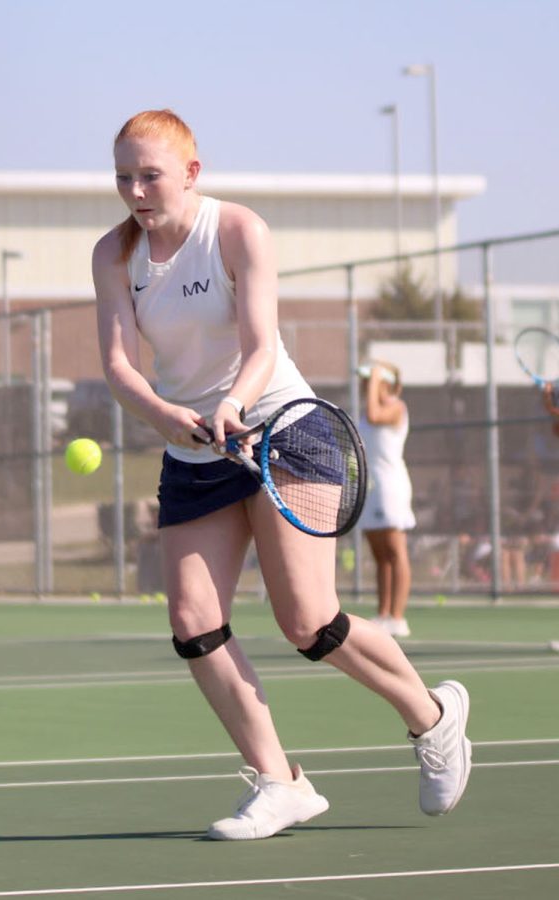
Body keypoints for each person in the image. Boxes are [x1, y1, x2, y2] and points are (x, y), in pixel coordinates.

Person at [93, 109, 472, 841]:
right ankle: (279, 782)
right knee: (193, 622)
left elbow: (263, 344)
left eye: (149, 175)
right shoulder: (113, 253)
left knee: (307, 620)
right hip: (194, 451)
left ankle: (433, 718)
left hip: (284, 431)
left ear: (191, 173)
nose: (134, 190)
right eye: (122, 176)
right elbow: (117, 365)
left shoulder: (237, 231)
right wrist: (167, 416)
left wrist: (232, 402)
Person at [358, 363, 415, 638]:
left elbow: (374, 413)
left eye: (371, 380)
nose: (365, 383)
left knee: (395, 550)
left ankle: (398, 617)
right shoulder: (366, 410)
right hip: (370, 487)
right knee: (380, 555)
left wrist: (378, 379)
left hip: (391, 487)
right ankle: (384, 614)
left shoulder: (396, 407)